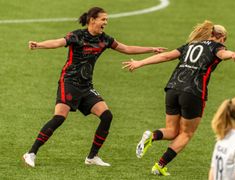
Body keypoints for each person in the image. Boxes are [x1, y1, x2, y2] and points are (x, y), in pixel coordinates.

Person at [22, 7, 166, 168]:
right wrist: (38, 45)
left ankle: (92, 157)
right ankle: (31, 153)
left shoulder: (105, 39)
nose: (106, 23)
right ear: (92, 20)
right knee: (59, 118)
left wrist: (151, 49)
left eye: (106, 20)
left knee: (107, 116)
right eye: (103, 19)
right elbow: (58, 42)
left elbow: (125, 48)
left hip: (86, 86)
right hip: (69, 82)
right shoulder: (77, 35)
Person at [122, 20, 235, 176]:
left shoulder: (190, 45)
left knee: (172, 130)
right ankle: (159, 165)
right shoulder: (217, 47)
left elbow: (166, 56)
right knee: (186, 133)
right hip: (193, 92)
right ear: (221, 37)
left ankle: (152, 136)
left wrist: (140, 62)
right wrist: (233, 54)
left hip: (172, 89)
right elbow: (223, 54)